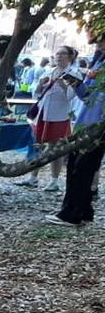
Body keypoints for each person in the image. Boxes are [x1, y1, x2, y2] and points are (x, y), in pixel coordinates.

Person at [47, 64, 103, 226]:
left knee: (81, 169)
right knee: (80, 168)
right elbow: (88, 96)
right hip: (86, 123)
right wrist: (77, 84)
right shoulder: (98, 62)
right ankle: (84, 210)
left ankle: (72, 214)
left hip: (95, 127)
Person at [27, 46, 80, 190]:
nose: (58, 56)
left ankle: (54, 180)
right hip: (43, 113)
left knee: (56, 148)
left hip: (60, 116)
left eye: (62, 53)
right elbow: (36, 94)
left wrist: (63, 85)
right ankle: (33, 177)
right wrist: (39, 85)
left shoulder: (74, 74)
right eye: (57, 53)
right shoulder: (49, 71)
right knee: (37, 144)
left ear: (70, 56)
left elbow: (71, 96)